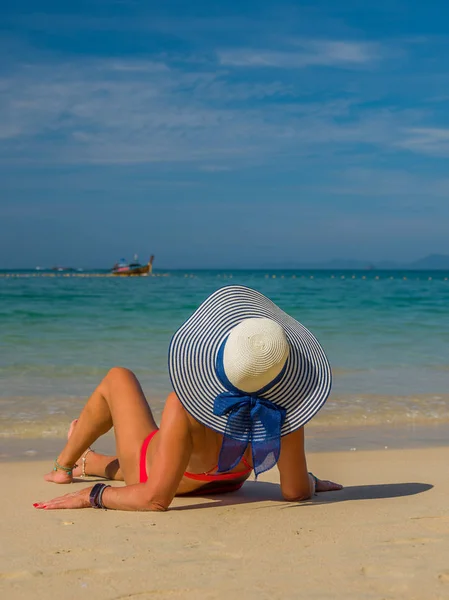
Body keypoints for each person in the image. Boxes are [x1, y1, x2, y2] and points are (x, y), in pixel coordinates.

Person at [34, 285, 342, 512]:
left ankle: (63, 468)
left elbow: (153, 498)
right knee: (156, 449)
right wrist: (309, 480)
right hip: (228, 481)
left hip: (152, 474)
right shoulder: (283, 408)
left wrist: (94, 495)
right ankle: (89, 460)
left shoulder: (184, 405)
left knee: (119, 377)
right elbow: (295, 491)